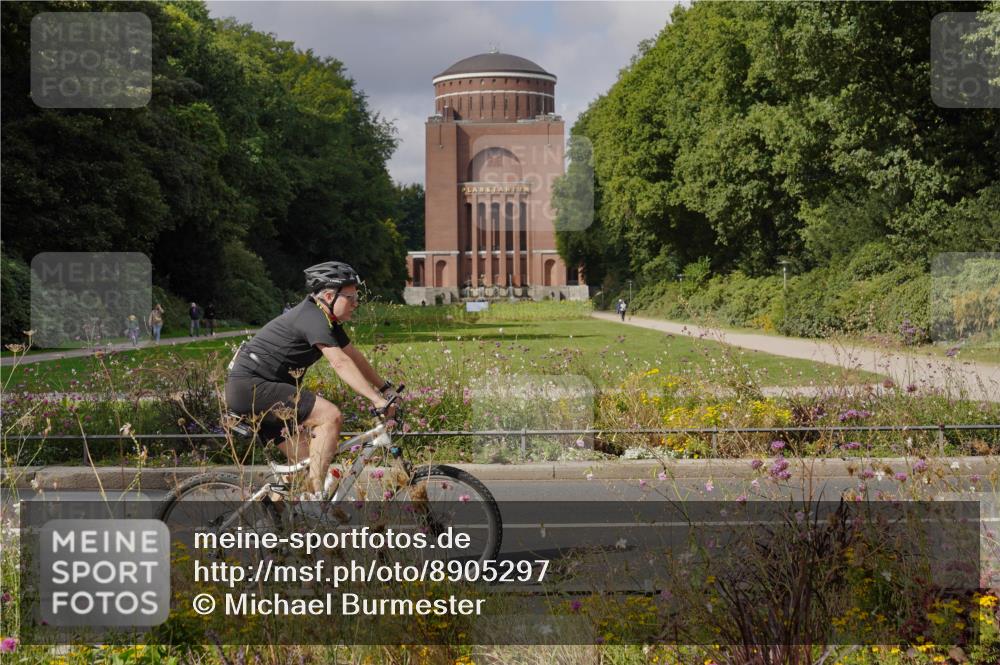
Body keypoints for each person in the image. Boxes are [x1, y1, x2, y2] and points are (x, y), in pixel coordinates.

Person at [224, 261, 396, 497]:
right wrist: (376, 399)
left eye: (358, 297)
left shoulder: (327, 320)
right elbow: (340, 362)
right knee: (330, 416)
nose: (356, 303)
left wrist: (385, 388)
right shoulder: (312, 317)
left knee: (303, 466)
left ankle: (274, 520)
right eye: (351, 297)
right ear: (328, 295)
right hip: (252, 387)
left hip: (261, 391)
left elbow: (352, 355)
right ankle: (316, 499)